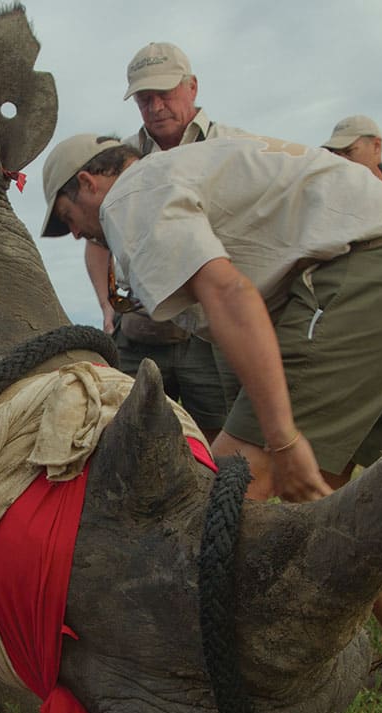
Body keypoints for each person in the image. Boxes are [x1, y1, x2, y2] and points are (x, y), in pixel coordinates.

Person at [41, 132, 382, 700]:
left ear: (89, 184)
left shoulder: (131, 195)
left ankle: (189, 686)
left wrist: (281, 438)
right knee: (315, 497)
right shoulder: (186, 171)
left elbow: (227, 290)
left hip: (364, 276)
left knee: (223, 495)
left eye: (66, 217)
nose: (74, 234)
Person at [83, 42, 238, 441]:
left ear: (192, 88)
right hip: (139, 332)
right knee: (130, 436)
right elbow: (97, 238)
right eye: (144, 99)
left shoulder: (229, 147)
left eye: (165, 94)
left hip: (207, 333)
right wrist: (106, 305)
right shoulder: (122, 160)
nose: (155, 107)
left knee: (223, 440)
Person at [321, 115, 382, 194]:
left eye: (348, 151)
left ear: (376, 146)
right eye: (336, 154)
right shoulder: (331, 200)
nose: (341, 160)